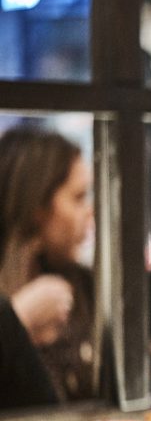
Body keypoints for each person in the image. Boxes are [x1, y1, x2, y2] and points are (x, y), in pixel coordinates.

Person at [0, 127, 96, 403]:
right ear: (37, 207)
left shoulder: (86, 284)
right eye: (78, 198)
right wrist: (18, 319)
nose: (90, 212)